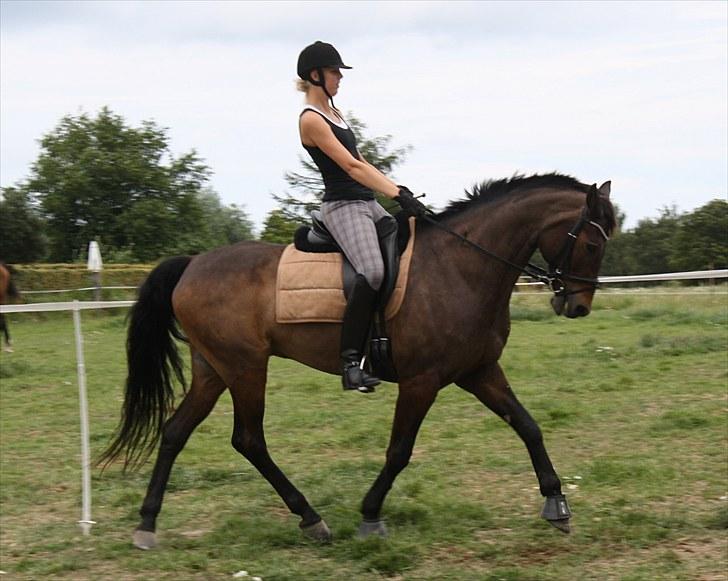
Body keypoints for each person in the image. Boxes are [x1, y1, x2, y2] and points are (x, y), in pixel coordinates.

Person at [296, 40, 428, 393]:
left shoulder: (337, 115)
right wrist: (395, 194)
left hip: (367, 203)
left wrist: (400, 190)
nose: (340, 78)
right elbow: (352, 168)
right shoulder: (311, 120)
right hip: (342, 207)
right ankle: (351, 363)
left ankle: (389, 336)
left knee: (409, 241)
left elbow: (363, 161)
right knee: (371, 271)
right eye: (334, 71)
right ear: (315, 75)